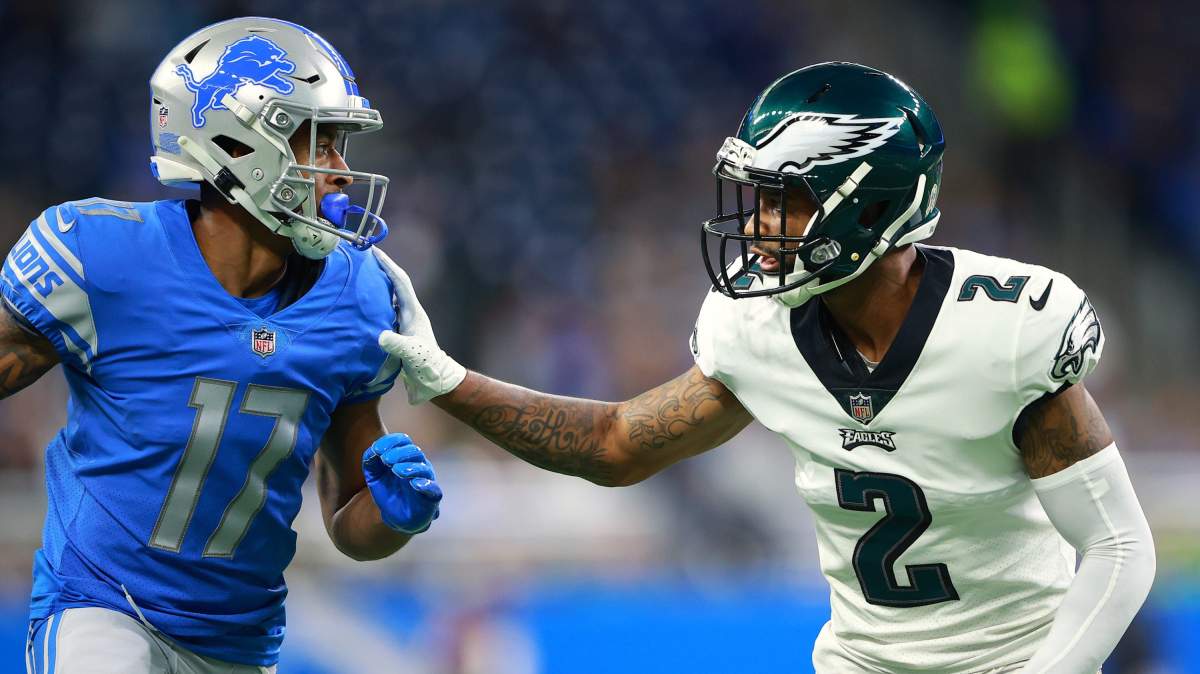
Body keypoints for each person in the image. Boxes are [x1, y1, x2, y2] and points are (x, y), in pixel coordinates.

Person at [378, 62, 1156, 673]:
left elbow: (1118, 547)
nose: (756, 226)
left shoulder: (1005, 329)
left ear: (871, 207)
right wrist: (447, 380)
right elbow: (615, 444)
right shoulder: (758, 329)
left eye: (784, 200)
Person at [0, 18, 442, 674]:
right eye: (320, 144)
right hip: (102, 607)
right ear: (236, 144)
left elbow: (351, 518)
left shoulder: (356, 298)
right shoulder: (107, 257)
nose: (342, 173)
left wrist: (392, 516)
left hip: (241, 643)